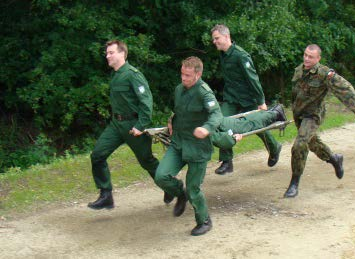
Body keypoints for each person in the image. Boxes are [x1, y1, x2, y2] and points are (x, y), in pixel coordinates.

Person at [88, 40, 172, 210]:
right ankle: (106, 195)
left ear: (122, 53)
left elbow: (146, 102)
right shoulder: (116, 75)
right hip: (116, 125)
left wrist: (141, 125)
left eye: (111, 52)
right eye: (107, 53)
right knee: (97, 155)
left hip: (134, 125)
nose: (107, 56)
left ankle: (170, 186)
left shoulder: (133, 75)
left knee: (146, 161)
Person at [285, 44, 355, 198]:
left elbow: (345, 89)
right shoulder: (299, 70)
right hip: (300, 115)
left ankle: (294, 183)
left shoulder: (325, 74)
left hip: (313, 115)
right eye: (305, 55)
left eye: (311, 57)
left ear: (318, 59)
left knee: (299, 144)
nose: (307, 59)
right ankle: (334, 158)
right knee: (312, 142)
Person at [154, 56, 223, 236]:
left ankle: (204, 220)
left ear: (198, 75)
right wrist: (171, 120)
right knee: (161, 176)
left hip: (198, 147)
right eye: (182, 74)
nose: (183, 78)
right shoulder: (179, 90)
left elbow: (216, 115)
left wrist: (206, 128)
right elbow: (177, 110)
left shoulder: (204, 93)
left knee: (194, 189)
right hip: (179, 142)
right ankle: (179, 193)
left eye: (187, 75)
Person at [211, 24, 281, 175]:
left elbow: (253, 79)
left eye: (217, 38)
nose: (214, 42)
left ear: (226, 36)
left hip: (247, 99)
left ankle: (274, 148)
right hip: (231, 99)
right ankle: (227, 161)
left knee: (256, 127)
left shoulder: (241, 55)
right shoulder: (223, 55)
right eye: (213, 39)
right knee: (221, 122)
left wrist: (261, 102)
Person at [211, 104, 287, 151]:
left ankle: (275, 113)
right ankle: (273, 113)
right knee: (245, 123)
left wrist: (232, 139)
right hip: (214, 122)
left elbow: (217, 138)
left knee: (245, 125)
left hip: (216, 123)